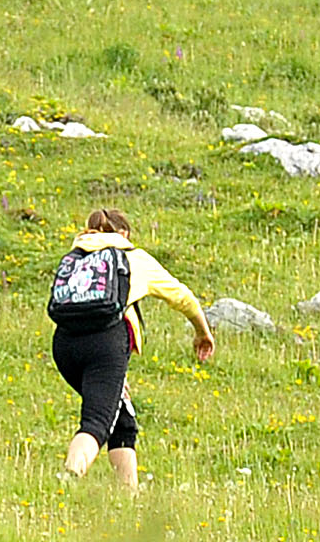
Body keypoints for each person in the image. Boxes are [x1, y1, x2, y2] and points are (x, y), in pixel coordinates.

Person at [47, 205, 212, 490]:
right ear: (123, 232)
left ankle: (129, 498)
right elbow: (184, 298)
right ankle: (69, 478)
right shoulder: (132, 257)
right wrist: (203, 332)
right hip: (105, 345)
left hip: (64, 346)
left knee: (122, 420)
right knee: (97, 422)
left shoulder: (74, 256)